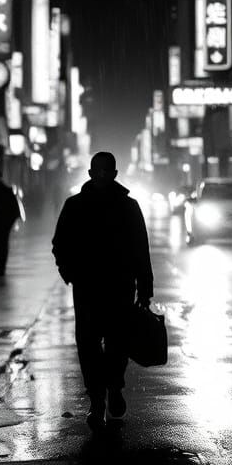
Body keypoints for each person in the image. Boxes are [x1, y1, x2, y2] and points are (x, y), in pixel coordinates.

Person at [51, 151, 154, 429]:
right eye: (99, 171)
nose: (102, 176)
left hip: (114, 286)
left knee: (113, 343)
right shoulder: (78, 205)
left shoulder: (124, 206)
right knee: (91, 344)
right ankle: (99, 397)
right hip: (93, 286)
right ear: (90, 173)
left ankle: (111, 389)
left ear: (115, 174)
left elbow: (141, 249)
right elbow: (60, 244)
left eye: (106, 171)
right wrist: (70, 273)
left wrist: (145, 288)